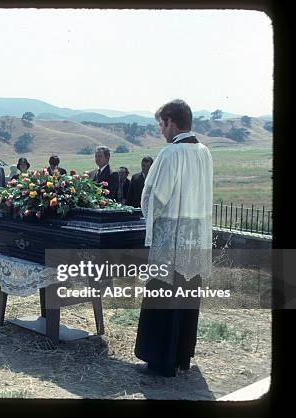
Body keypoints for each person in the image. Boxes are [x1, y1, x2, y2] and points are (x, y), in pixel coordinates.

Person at [134, 99, 213, 377]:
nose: (160, 130)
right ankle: (181, 356)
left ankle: (160, 362)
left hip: (171, 242)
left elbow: (155, 196)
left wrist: (147, 215)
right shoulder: (204, 152)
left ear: (170, 121)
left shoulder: (170, 154)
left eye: (161, 124)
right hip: (195, 240)